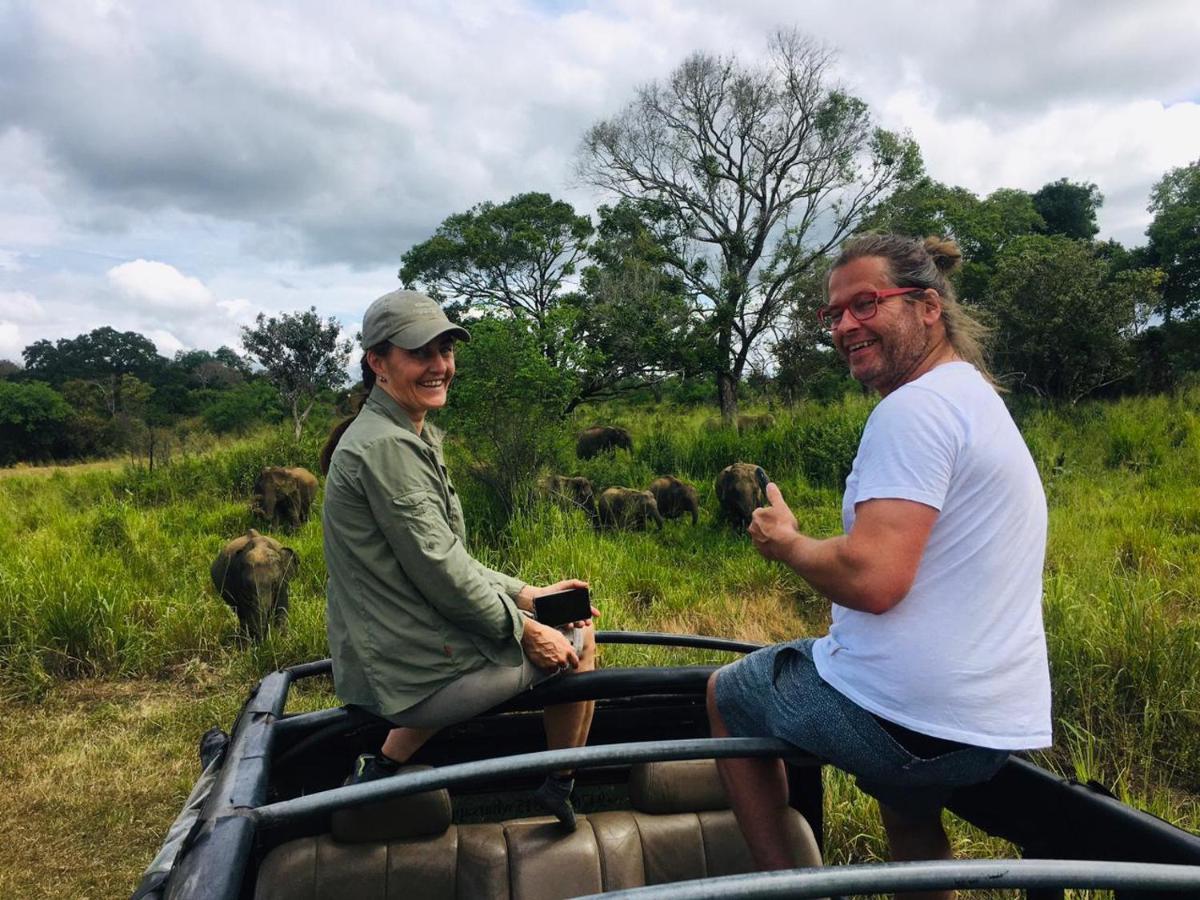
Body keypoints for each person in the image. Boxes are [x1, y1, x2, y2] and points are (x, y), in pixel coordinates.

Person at [707, 235, 1051, 899]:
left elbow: (872, 580)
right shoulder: (971, 395)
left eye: (865, 305)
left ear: (926, 307)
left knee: (728, 693)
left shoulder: (912, 409)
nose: (844, 326)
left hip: (910, 721)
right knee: (906, 804)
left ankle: (788, 889)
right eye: (833, 315)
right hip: (991, 723)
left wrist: (789, 544)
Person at [322, 289, 597, 829]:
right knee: (580, 640)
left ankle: (382, 766)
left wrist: (527, 595)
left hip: (406, 645)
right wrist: (525, 628)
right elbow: (443, 572)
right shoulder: (386, 448)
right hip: (413, 669)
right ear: (378, 362)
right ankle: (560, 783)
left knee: (561, 611)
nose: (440, 366)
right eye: (420, 353)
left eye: (445, 350)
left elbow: (446, 557)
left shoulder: (399, 433)